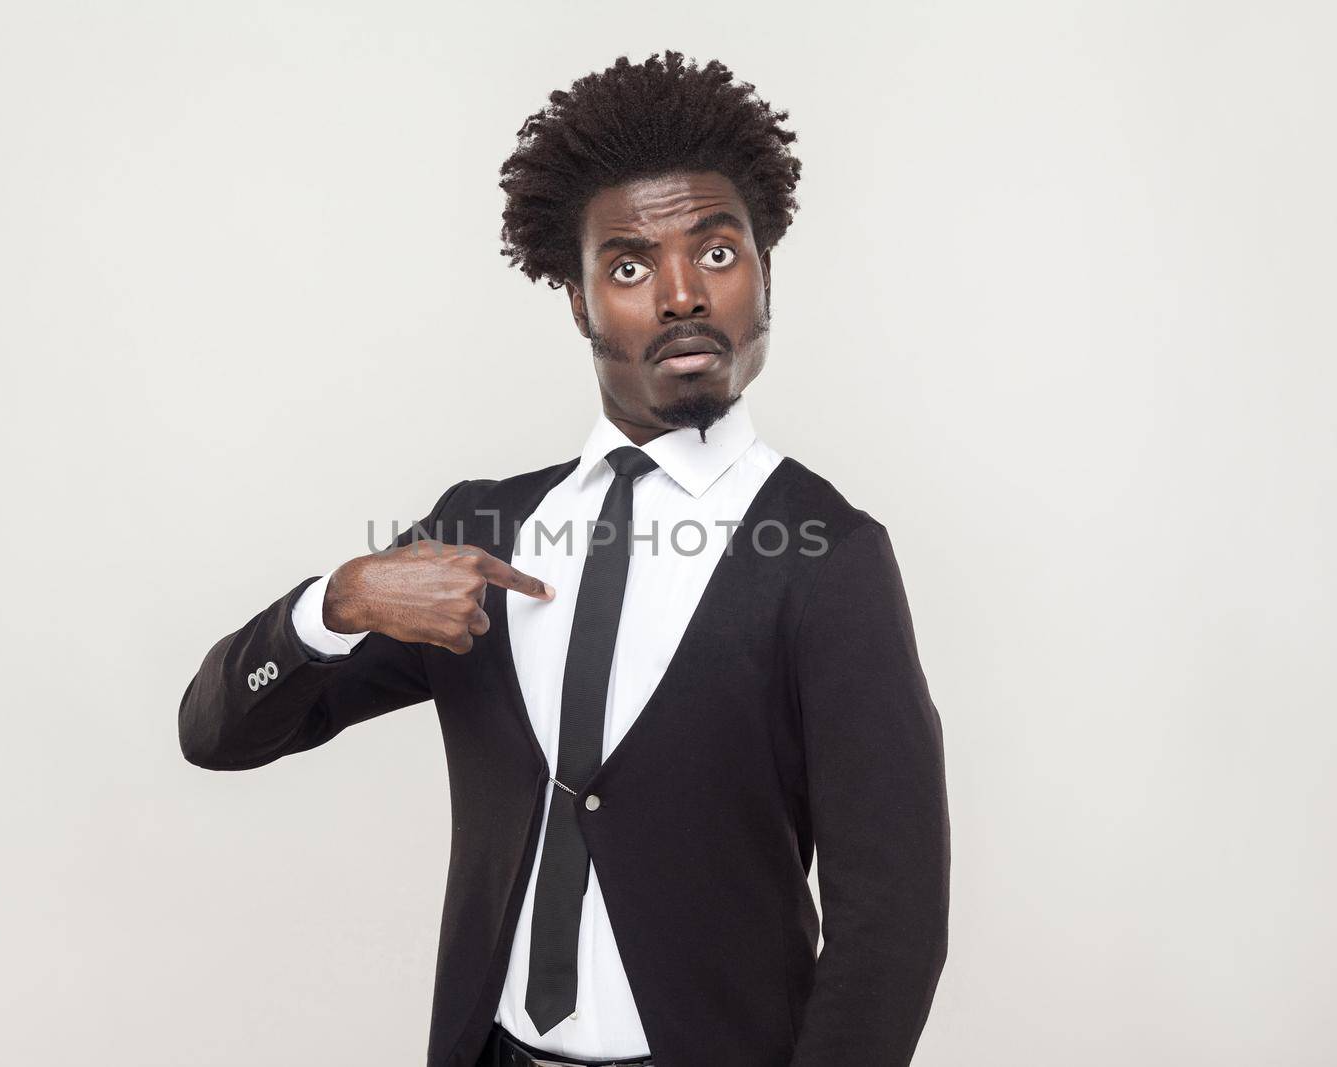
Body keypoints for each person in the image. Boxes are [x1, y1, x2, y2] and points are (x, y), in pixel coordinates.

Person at [179, 50, 950, 1067]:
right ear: (579, 302)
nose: (680, 294)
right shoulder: (482, 528)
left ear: (764, 277)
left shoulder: (825, 554)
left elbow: (890, 924)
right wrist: (338, 600)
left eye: (716, 253)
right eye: (629, 265)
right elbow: (216, 733)